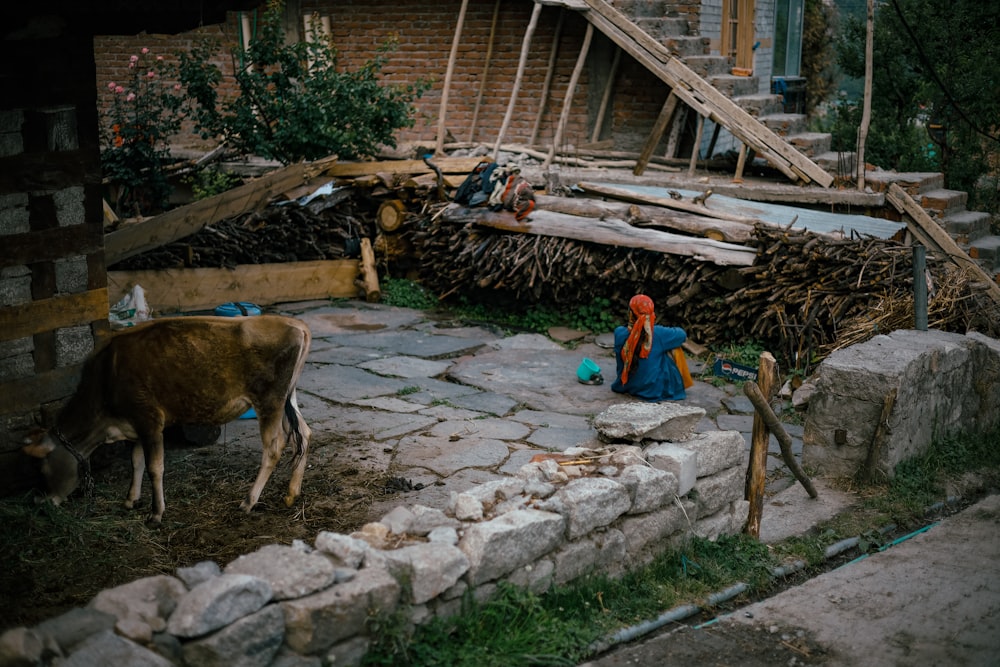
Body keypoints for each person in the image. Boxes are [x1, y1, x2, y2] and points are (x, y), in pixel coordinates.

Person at [611, 294, 692, 401]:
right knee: (674, 347)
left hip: (626, 386)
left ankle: (635, 382)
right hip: (652, 391)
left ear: (630, 313)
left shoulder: (619, 333)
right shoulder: (658, 334)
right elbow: (682, 335)